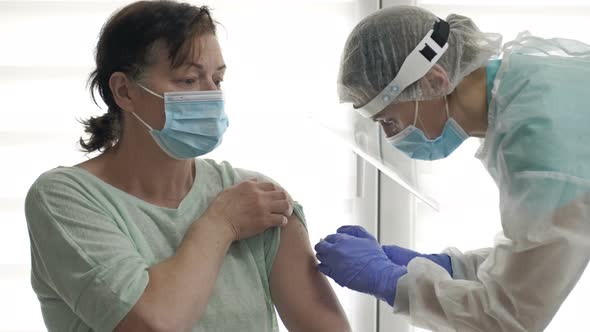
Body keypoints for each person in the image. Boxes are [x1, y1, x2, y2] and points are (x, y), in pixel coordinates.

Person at [24, 1, 351, 331]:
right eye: (189, 80)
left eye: (217, 80)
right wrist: (222, 224)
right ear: (124, 91)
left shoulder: (256, 198)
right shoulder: (64, 198)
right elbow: (152, 324)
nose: (211, 95)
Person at [315, 4, 590, 332]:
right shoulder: (528, 90)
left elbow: (507, 319)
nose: (391, 136)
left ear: (434, 81)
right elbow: (538, 255)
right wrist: (454, 268)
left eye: (389, 120)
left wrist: (392, 283)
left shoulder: (539, 142)